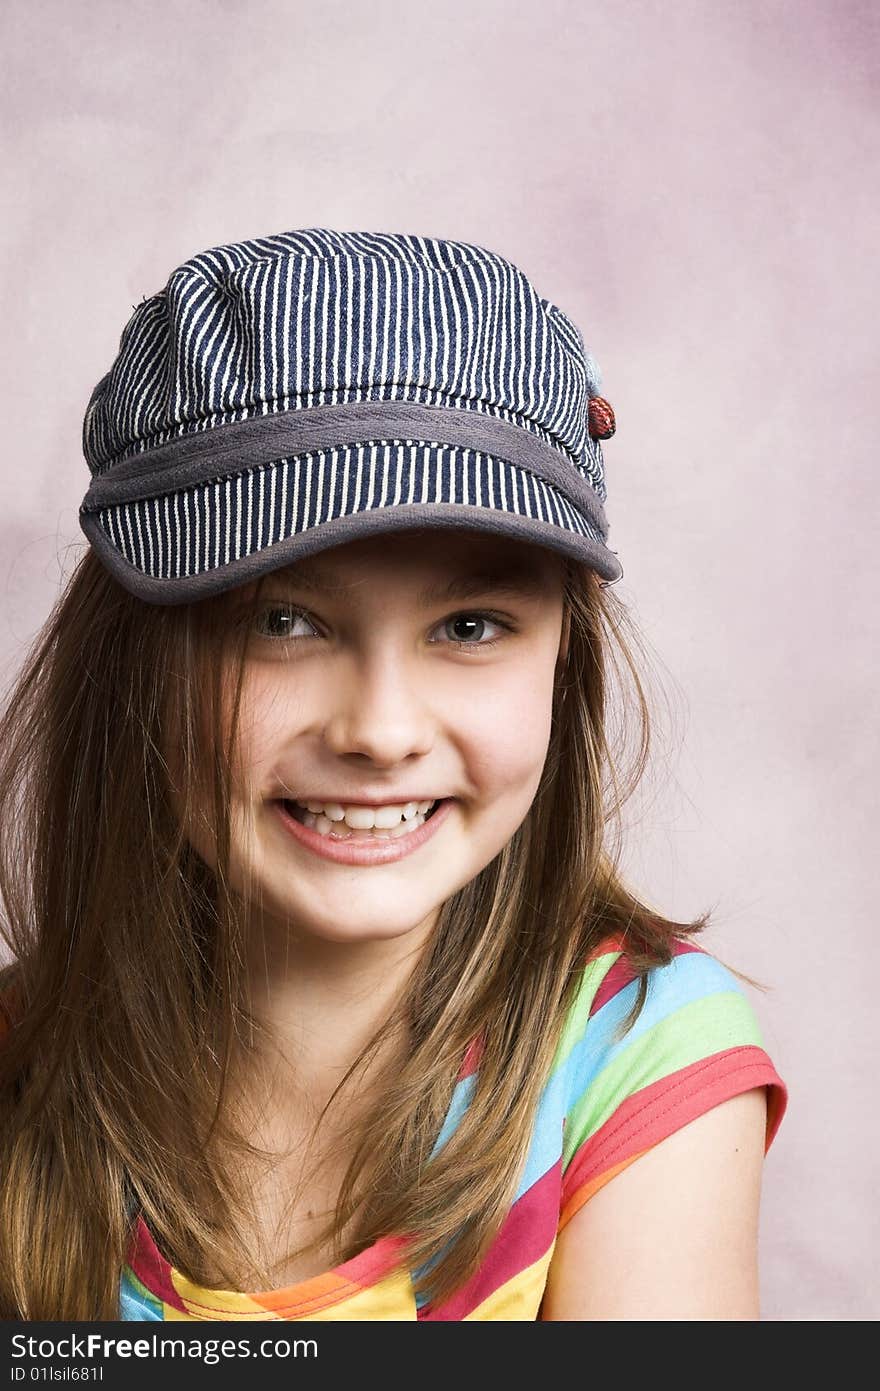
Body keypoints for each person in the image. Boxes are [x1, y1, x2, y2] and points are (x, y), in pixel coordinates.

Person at [0, 227, 787, 1322]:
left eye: (469, 625)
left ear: (565, 657)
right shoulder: (23, 1062)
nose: (379, 729)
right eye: (282, 619)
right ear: (137, 661)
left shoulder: (634, 1054)